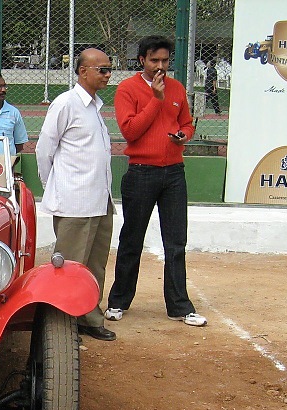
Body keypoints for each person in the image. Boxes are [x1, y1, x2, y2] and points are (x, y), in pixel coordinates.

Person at [105, 35, 207, 327]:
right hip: (141, 172)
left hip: (174, 172)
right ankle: (118, 301)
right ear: (141, 61)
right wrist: (155, 99)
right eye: (154, 61)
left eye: (165, 60)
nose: (161, 66)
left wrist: (183, 136)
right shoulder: (128, 89)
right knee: (131, 239)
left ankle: (179, 306)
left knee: (176, 242)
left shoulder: (177, 88)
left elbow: (186, 123)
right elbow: (130, 131)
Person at [35, 48, 116, 342]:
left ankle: (89, 318)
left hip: (100, 200)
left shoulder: (95, 106)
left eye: (109, 69)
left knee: (95, 264)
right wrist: (54, 186)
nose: (108, 75)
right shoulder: (66, 103)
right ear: (83, 72)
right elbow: (44, 150)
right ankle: (63, 328)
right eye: (102, 70)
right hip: (74, 202)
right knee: (68, 266)